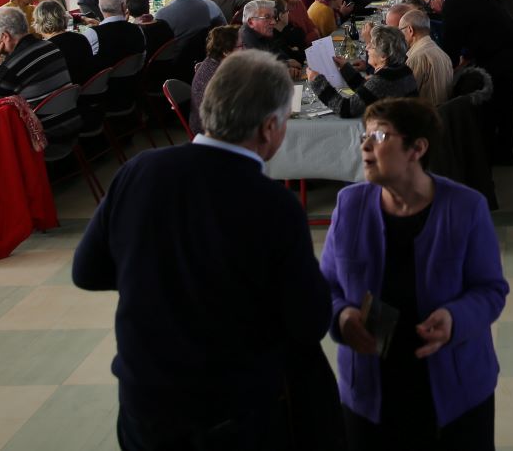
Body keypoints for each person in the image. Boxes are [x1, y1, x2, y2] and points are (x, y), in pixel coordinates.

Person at [73, 51, 337, 448]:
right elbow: (308, 321)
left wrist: (157, 282)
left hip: (145, 400)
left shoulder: (139, 171)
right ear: (269, 128)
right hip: (229, 408)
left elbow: (88, 271)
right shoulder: (273, 203)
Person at [323, 97, 509, 448]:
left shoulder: (466, 208)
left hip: (454, 389)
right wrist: (344, 315)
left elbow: (490, 290)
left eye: (380, 137)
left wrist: (454, 318)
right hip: (369, 390)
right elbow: (327, 285)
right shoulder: (350, 207)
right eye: (365, 136)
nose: (365, 145)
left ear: (417, 148)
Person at [422, 0, 513, 166]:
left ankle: (499, 154)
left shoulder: (453, 4)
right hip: (510, 46)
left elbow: (449, 52)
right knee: (504, 102)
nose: (432, 9)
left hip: (505, 53)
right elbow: (477, 22)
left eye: (429, 4)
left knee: (500, 102)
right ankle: (501, 151)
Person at [0, 6, 72, 134]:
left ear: (5, 36)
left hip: (42, 134)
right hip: (68, 121)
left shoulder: (14, 64)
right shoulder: (50, 46)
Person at [312, 24, 420, 118]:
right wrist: (345, 68)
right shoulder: (403, 69)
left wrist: (318, 81)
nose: (367, 48)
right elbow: (368, 92)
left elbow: (345, 108)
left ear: (383, 56)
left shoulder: (383, 79)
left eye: (371, 46)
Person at [188, 24, 240, 135]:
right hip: (211, 132)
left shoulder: (214, 61)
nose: (246, 49)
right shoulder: (218, 76)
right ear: (226, 51)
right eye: (241, 46)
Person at [399, 8, 454, 107]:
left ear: (410, 30)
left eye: (400, 31)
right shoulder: (443, 54)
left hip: (427, 117)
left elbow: (405, 99)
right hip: (444, 115)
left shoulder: (417, 58)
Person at [36, 0, 98, 84]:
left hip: (70, 94)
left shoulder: (46, 51)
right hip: (88, 89)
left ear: (39, 22)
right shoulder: (81, 38)